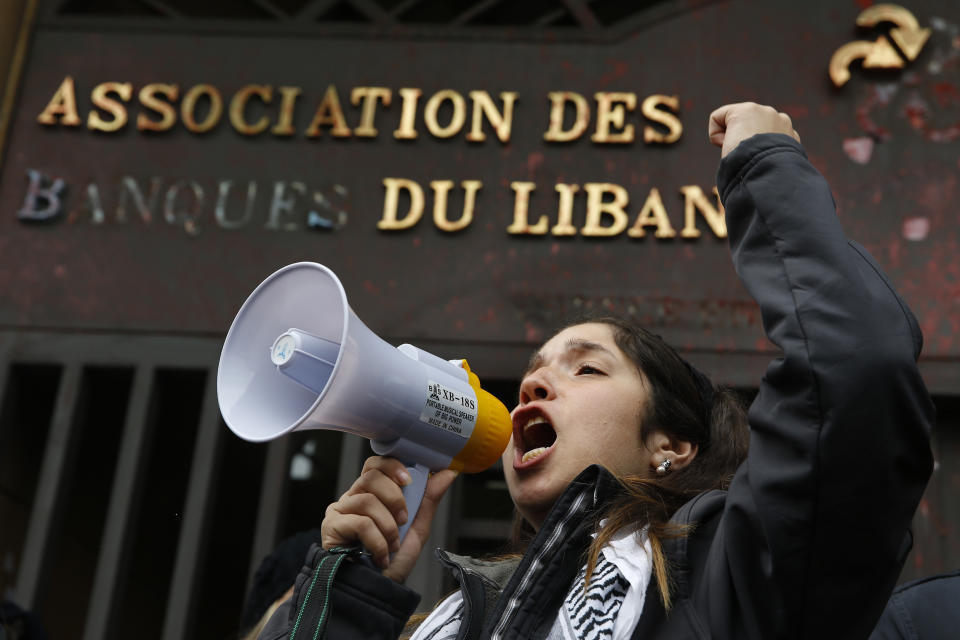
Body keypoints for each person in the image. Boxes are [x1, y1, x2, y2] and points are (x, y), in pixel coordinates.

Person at [256, 103, 935, 639]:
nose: (533, 384)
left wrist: (768, 169)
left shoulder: (736, 582)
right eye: (533, 370)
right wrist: (343, 598)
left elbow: (857, 371)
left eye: (587, 369)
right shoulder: (457, 619)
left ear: (671, 445)